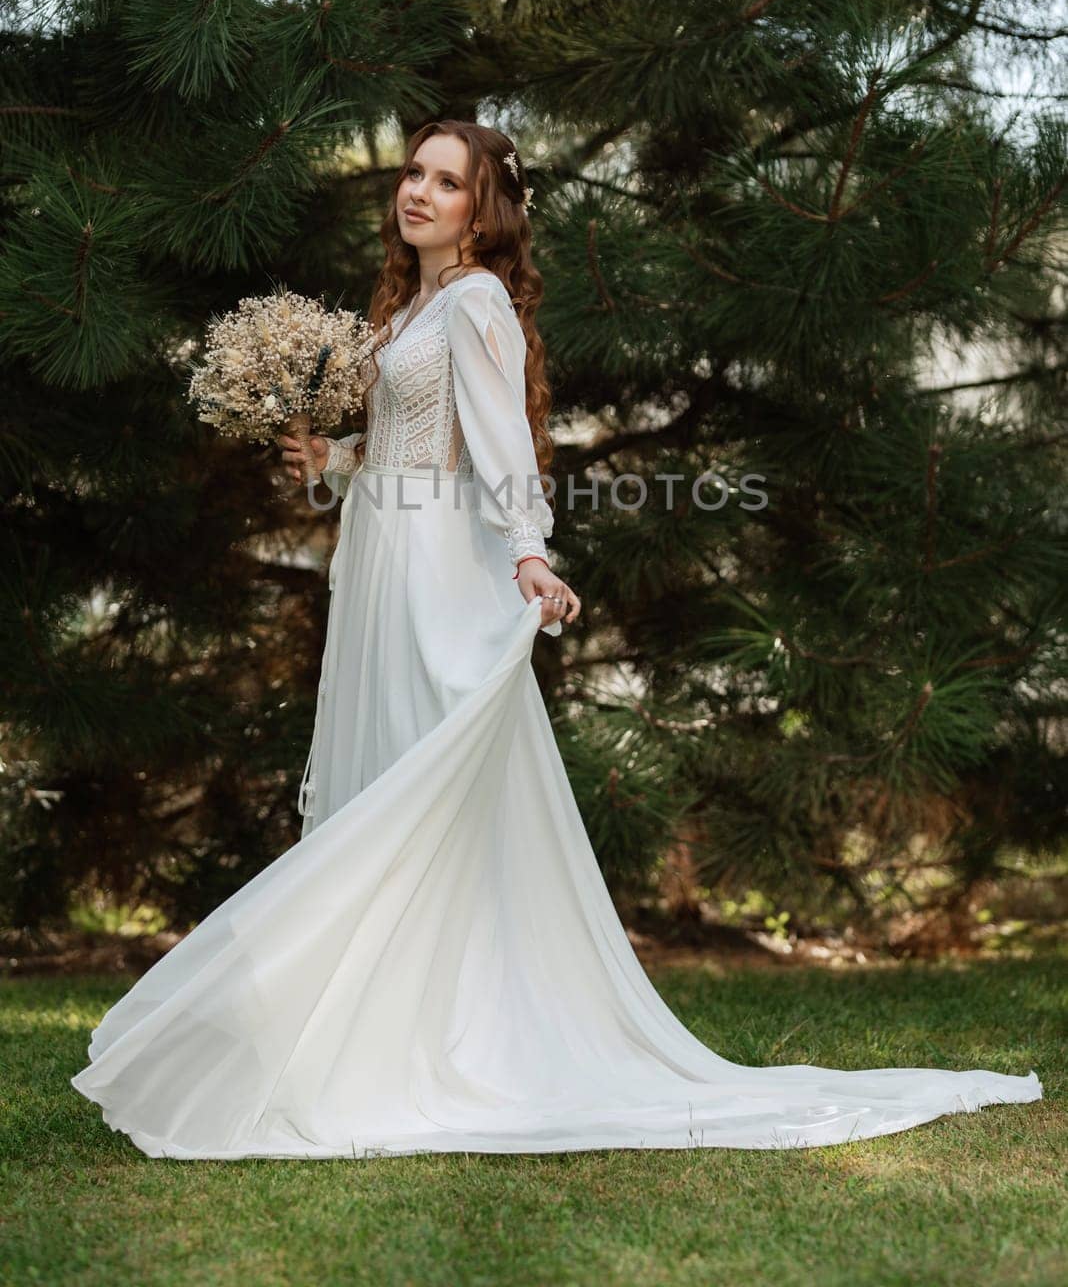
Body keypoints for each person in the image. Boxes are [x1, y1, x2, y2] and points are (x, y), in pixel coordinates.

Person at [70, 121, 1042, 1158]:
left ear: (482, 209)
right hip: (385, 556)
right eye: (414, 173)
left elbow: (494, 443)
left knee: (426, 776)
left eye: (448, 183)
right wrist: (334, 453)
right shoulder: (409, 305)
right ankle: (368, 1025)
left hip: (439, 566)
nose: (420, 193)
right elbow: (410, 447)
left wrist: (530, 553)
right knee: (388, 769)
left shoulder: (477, 301)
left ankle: (431, 1032)